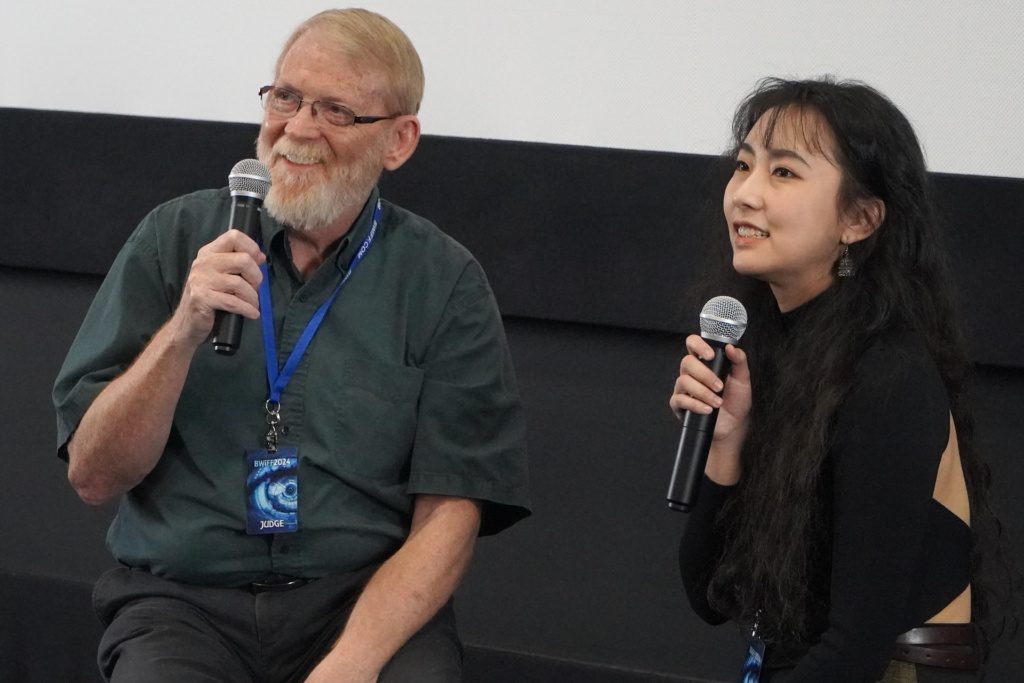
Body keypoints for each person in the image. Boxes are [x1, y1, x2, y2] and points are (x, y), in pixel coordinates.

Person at [52, 9, 529, 683]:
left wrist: (353, 663)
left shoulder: (442, 281)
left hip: (359, 602)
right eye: (286, 97)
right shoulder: (173, 239)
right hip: (183, 603)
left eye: (336, 110)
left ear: (398, 140)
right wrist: (182, 333)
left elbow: (452, 513)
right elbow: (93, 475)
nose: (298, 128)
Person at [671, 77, 1010, 681]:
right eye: (743, 165)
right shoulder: (774, 348)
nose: (744, 195)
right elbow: (708, 598)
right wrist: (727, 444)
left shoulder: (889, 374)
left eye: (783, 173)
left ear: (859, 219)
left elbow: (856, 647)